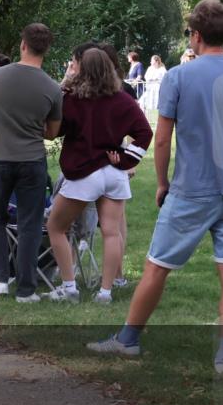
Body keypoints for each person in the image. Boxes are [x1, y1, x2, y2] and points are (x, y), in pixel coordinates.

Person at [88, 0, 223, 375]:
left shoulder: (178, 77)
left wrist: (162, 183)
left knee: (157, 267)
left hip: (192, 190)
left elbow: (162, 139)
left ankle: (128, 340)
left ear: (197, 34)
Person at [45, 48, 153, 304]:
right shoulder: (123, 99)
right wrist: (127, 160)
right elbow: (144, 133)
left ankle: (69, 287)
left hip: (84, 173)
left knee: (56, 227)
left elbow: (56, 131)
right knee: (112, 233)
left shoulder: (72, 99)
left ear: (82, 69)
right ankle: (105, 292)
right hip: (114, 174)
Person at [0, 23, 63, 303]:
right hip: (31, 160)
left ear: (23, 44)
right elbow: (52, 132)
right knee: (29, 223)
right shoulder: (53, 88)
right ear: (46, 50)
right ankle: (26, 289)